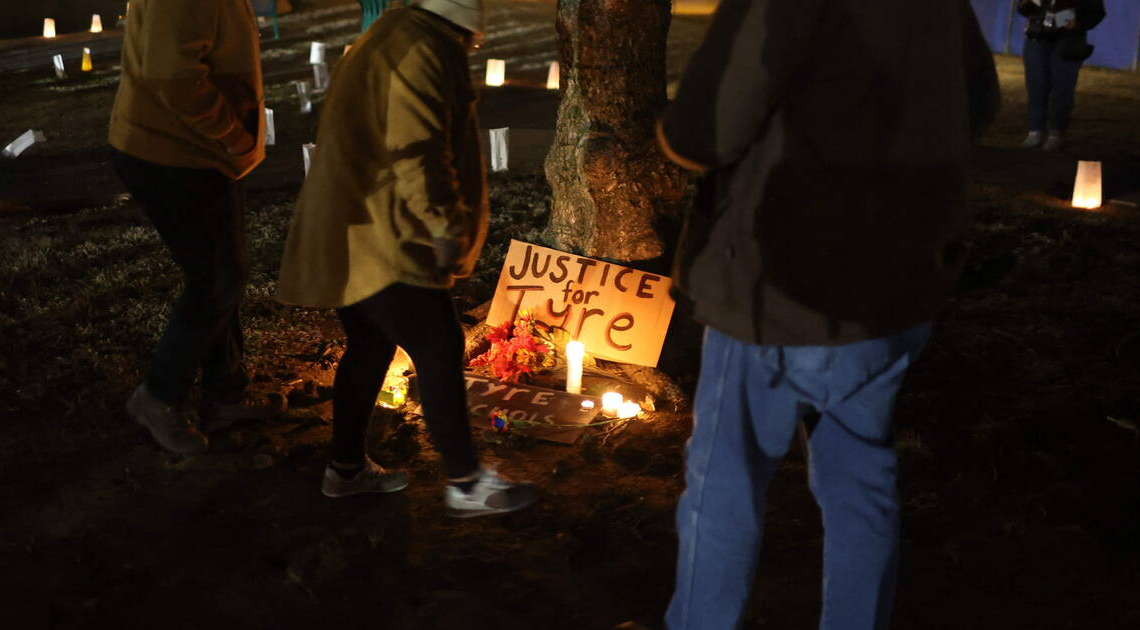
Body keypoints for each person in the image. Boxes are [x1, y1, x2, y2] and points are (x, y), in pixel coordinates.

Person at [654, 1, 1000, 628]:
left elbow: (703, 132)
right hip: (895, 285)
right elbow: (978, 100)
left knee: (724, 484)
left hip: (780, 283)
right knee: (860, 480)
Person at [276, 0, 537, 516]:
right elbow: (415, 147)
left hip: (357, 223)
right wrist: (442, 225)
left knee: (370, 345)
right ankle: (465, 481)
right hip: (387, 229)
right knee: (438, 343)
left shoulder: (398, 33)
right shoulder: (423, 47)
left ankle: (346, 469)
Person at [110, 0, 285, 456]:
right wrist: (233, 136)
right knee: (216, 280)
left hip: (194, 151)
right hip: (173, 152)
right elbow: (175, 78)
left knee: (220, 272)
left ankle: (225, 395)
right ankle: (159, 396)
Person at [1017, 0, 1106, 151]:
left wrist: (1078, 23)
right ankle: (1035, 130)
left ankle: (1056, 133)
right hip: (1037, 37)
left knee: (1062, 88)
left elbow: (1097, 11)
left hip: (1067, 40)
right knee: (1036, 85)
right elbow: (1023, 7)